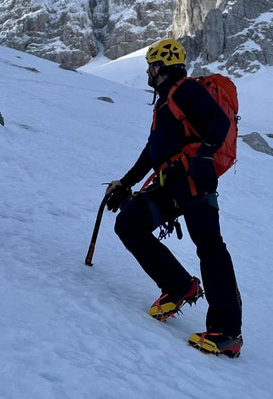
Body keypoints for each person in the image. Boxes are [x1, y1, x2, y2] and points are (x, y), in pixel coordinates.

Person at [103, 38, 243, 358]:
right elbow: (152, 151)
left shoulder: (186, 90)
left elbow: (219, 123)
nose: (148, 73)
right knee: (129, 223)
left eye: (150, 67)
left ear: (160, 67)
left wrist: (204, 157)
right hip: (170, 184)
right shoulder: (165, 102)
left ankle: (227, 332)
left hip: (194, 181)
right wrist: (125, 183)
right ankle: (179, 285)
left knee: (210, 248)